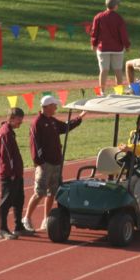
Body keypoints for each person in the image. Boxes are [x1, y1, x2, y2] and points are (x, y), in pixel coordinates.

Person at [22, 95, 85, 231]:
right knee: (40, 193)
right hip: (45, 165)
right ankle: (26, 218)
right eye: (54, 105)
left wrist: (80, 117)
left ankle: (46, 219)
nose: (56, 107)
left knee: (52, 193)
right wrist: (40, 162)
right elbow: (34, 145)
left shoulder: (52, 121)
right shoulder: (37, 123)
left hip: (56, 163)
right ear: (47, 106)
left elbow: (66, 127)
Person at [0, 107, 34, 240]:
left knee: (18, 200)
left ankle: (18, 227)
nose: (20, 123)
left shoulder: (10, 132)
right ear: (11, 119)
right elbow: (6, 157)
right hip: (9, 175)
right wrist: (11, 173)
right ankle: (2, 229)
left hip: (16, 174)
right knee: (6, 202)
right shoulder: (5, 133)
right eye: (19, 120)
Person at [90, 0, 130, 94]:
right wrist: (127, 45)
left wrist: (94, 44)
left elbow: (95, 32)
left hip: (103, 48)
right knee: (118, 71)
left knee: (104, 70)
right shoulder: (118, 18)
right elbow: (123, 34)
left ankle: (102, 91)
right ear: (115, 6)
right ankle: (119, 92)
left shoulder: (98, 16)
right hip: (117, 49)